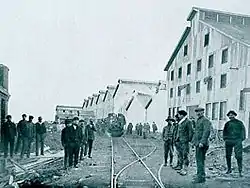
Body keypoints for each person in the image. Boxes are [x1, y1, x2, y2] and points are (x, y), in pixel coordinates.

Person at [191, 107, 212, 183]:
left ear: (203, 112)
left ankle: (201, 178)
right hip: (198, 143)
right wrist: (194, 142)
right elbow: (196, 133)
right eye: (197, 112)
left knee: (200, 160)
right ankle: (199, 174)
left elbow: (206, 132)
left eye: (200, 112)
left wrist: (202, 142)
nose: (198, 113)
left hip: (202, 144)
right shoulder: (198, 120)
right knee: (199, 160)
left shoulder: (205, 120)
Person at [223, 110, 246, 177]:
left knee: (238, 156)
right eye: (229, 115)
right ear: (228, 116)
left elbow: (243, 131)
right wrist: (225, 139)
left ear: (235, 115)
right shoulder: (227, 124)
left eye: (232, 115)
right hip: (229, 141)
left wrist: (241, 139)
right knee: (228, 155)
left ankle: (240, 170)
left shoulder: (239, 123)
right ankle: (229, 169)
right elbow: (224, 132)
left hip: (237, 141)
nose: (231, 116)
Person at [173, 110, 193, 176]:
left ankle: (185, 169)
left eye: (178, 115)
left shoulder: (188, 122)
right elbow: (177, 132)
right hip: (179, 141)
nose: (178, 116)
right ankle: (180, 167)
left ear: (182, 115)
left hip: (184, 142)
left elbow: (190, 132)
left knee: (185, 155)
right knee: (180, 154)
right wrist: (176, 139)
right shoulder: (180, 122)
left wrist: (188, 140)